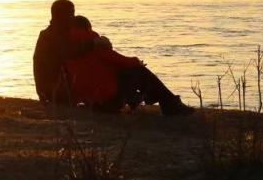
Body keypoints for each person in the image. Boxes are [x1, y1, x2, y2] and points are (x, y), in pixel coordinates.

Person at [63, 15, 192, 116]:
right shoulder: (96, 45)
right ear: (88, 28)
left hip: (89, 101)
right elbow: (124, 61)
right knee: (139, 70)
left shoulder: (70, 49)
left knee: (133, 71)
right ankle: (169, 104)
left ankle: (165, 102)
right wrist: (138, 61)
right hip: (107, 102)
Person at [33, 0, 87, 104]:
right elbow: (70, 52)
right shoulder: (53, 35)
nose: (73, 17)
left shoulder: (50, 33)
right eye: (71, 13)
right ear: (62, 15)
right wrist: (94, 44)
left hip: (48, 91)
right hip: (54, 91)